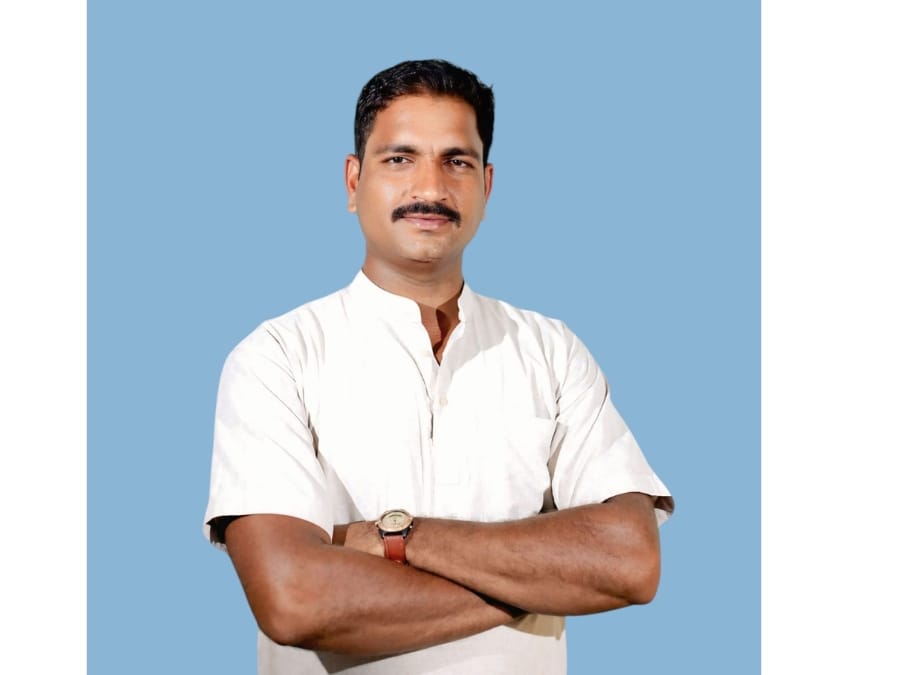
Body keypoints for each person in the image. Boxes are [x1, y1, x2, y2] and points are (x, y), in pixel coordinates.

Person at [203, 59, 674, 674]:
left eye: (458, 161)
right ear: (353, 181)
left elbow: (631, 561)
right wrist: (543, 583)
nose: (430, 187)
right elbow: (295, 600)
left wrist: (395, 537)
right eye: (399, 158)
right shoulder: (277, 357)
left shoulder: (551, 351)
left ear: (487, 185)